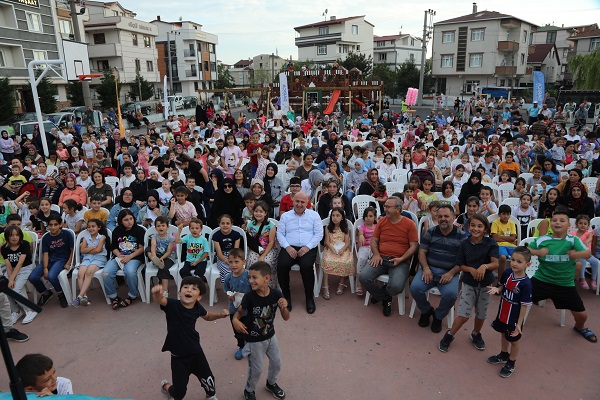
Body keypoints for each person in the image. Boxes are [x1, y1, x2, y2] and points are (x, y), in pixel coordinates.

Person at [528, 207, 597, 343]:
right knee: (515, 298)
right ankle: (510, 323)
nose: (557, 223)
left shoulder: (573, 240)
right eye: (554, 220)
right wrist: (537, 252)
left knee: (582, 316)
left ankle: (580, 328)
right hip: (541, 280)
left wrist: (576, 254)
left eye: (561, 220)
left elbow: (588, 253)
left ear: (568, 225)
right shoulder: (542, 240)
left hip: (565, 284)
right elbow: (525, 250)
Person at [154, 277, 229, 400]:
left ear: (199, 297)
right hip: (178, 358)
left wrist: (220, 315)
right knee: (179, 394)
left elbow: (208, 316)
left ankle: (209, 396)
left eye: (194, 289)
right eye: (185, 287)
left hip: (196, 353)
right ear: (179, 293)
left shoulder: (197, 307)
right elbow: (161, 300)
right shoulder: (172, 305)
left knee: (210, 384)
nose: (189, 290)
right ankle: (166, 387)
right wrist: (157, 294)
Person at [439, 214, 499, 352]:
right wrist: (470, 269)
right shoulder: (464, 244)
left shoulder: (491, 243)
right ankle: (449, 335)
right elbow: (460, 264)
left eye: (480, 226)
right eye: (473, 225)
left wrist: (485, 266)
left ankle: (476, 334)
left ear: (485, 229)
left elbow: (495, 263)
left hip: (486, 285)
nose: (476, 229)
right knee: (464, 314)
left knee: (481, 314)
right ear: (468, 227)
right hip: (469, 283)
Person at [232, 261, 290, 400]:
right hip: (254, 341)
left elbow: (286, 318)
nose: (251, 280)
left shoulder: (276, 294)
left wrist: (284, 306)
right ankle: (249, 390)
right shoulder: (249, 297)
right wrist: (235, 321)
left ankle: (271, 384)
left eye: (254, 277)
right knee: (256, 370)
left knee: (277, 364)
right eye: (250, 277)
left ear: (267, 278)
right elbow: (238, 314)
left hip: (271, 336)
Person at [411, 204, 467, 332]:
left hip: (449, 272)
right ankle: (426, 311)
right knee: (415, 288)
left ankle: (438, 316)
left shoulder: (462, 236)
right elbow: (422, 252)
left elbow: (463, 260)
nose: (443, 219)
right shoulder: (431, 231)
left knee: (451, 294)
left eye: (446, 216)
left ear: (453, 217)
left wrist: (451, 273)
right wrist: (425, 268)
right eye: (440, 216)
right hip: (429, 269)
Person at [359, 196, 418, 317]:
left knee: (396, 287)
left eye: (387, 206)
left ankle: (381, 294)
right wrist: (376, 254)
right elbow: (374, 240)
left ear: (397, 209)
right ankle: (386, 298)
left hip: (400, 261)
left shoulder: (409, 224)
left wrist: (402, 258)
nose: (384, 208)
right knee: (364, 276)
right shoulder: (382, 221)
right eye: (384, 206)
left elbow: (414, 246)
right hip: (381, 258)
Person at [486, 246, 533, 378]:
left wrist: (519, 323)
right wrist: (498, 289)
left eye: (519, 261)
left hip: (514, 319)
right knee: (503, 334)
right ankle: (503, 354)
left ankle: (511, 362)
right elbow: (502, 285)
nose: (514, 263)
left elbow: (524, 305)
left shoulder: (526, 284)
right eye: (512, 259)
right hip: (503, 313)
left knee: (514, 340)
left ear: (527, 264)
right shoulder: (507, 273)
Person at [276, 191, 323, 314]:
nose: (299, 204)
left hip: (307, 248)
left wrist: (307, 247)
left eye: (302, 202)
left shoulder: (314, 215)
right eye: (297, 201)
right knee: (282, 265)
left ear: (307, 203)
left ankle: (309, 298)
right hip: (289, 247)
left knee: (307, 266)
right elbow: (280, 234)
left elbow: (319, 234)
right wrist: (287, 247)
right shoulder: (285, 216)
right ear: (293, 201)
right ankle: (286, 297)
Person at [28, 215, 74, 313]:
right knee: (32, 277)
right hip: (49, 260)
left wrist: (69, 263)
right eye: (50, 225)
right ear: (47, 226)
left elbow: (72, 250)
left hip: (62, 259)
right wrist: (45, 268)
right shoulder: (46, 238)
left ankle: (61, 293)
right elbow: (45, 253)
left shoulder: (66, 234)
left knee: (52, 276)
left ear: (60, 224)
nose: (53, 227)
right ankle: (46, 293)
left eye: (55, 225)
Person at [103, 209, 145, 310]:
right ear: (121, 221)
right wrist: (119, 255)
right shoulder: (117, 231)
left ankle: (132, 295)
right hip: (119, 257)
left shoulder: (139, 230)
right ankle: (113, 296)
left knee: (130, 272)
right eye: (126, 220)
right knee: (106, 273)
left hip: (134, 257)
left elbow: (142, 248)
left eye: (131, 219)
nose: (129, 221)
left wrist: (130, 257)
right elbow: (113, 247)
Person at [73, 219, 109, 307]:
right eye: (89, 227)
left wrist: (88, 250)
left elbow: (98, 250)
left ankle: (79, 296)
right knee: (80, 274)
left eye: (93, 226)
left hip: (99, 259)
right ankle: (84, 297)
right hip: (87, 259)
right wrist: (93, 247)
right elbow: (82, 250)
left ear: (99, 227)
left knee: (89, 272)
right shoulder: (86, 238)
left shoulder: (102, 237)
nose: (91, 229)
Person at [223, 248, 251, 361]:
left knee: (250, 329)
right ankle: (241, 347)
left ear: (244, 262)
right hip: (234, 310)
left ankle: (252, 347)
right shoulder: (228, 277)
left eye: (236, 262)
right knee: (237, 330)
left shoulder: (249, 275)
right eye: (230, 262)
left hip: (249, 310)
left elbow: (255, 288)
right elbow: (227, 289)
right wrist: (229, 295)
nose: (233, 265)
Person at [320, 207, 354, 299]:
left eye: (337, 216)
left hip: (342, 248)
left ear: (342, 217)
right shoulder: (328, 227)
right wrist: (331, 247)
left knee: (345, 261)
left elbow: (347, 243)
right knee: (327, 260)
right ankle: (325, 285)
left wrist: (342, 249)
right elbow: (327, 241)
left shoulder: (345, 228)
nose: (335, 218)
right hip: (331, 248)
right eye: (333, 215)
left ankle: (341, 283)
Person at [246, 201, 278, 288]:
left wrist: (263, 255)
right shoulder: (250, 225)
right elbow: (250, 240)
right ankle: (254, 284)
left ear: (265, 213)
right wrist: (257, 250)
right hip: (256, 249)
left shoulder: (271, 226)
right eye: (256, 211)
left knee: (267, 263)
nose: (258, 213)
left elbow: (271, 242)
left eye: (261, 211)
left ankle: (269, 286)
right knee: (251, 263)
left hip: (269, 249)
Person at [491, 205, 518, 283]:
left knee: (519, 257)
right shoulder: (495, 223)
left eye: (508, 214)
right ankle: (500, 279)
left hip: (511, 246)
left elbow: (513, 237)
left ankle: (515, 278)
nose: (506, 216)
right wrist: (509, 239)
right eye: (503, 214)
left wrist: (500, 237)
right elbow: (494, 238)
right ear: (499, 214)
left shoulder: (512, 223)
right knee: (502, 257)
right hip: (499, 245)